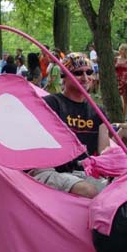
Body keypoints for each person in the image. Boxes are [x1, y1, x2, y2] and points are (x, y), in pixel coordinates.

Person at [30, 53, 109, 198]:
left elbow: (104, 153)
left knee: (121, 189)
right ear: (64, 77)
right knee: (89, 190)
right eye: (78, 73)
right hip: (49, 170)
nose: (85, 78)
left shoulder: (98, 111)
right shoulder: (49, 104)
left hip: (83, 173)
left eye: (89, 72)